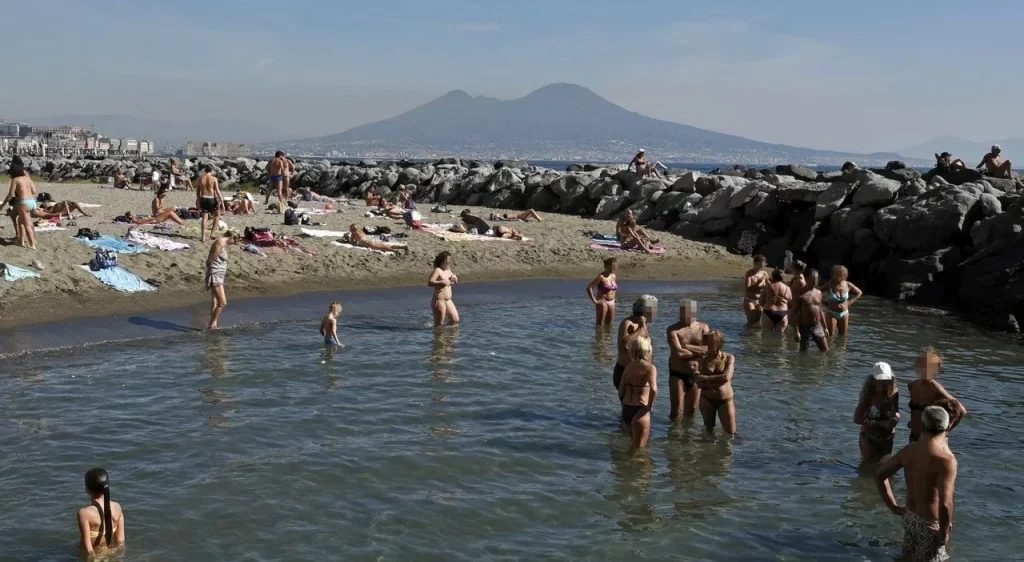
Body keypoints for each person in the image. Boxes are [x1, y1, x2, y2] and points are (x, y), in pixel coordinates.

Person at [874, 406, 957, 562]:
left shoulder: (909, 450)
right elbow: (946, 504)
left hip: (910, 516)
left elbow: (879, 475)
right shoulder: (947, 460)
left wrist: (893, 506)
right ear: (947, 427)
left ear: (923, 426)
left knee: (907, 557)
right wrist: (944, 533)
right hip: (930, 524)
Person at [907, 348, 967, 443]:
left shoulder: (935, 387)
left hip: (931, 441)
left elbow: (962, 411)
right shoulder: (911, 386)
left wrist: (946, 431)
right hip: (913, 438)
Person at [666, 299, 710, 419]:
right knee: (676, 410)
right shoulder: (673, 329)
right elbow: (679, 353)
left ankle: (687, 436)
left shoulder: (703, 328)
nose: (684, 315)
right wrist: (699, 351)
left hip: (696, 374)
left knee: (691, 411)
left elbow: (708, 349)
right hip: (677, 374)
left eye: (688, 312)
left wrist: (687, 347)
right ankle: (674, 435)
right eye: (682, 312)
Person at [854, 362, 901, 462]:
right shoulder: (868, 395)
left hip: (888, 439)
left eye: (887, 380)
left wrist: (897, 418)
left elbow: (897, 411)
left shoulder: (894, 393)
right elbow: (856, 418)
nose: (885, 384)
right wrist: (878, 423)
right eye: (881, 380)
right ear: (873, 381)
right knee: (868, 469)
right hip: (869, 439)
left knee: (885, 468)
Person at [618, 334, 658, 449]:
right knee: (640, 451)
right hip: (640, 409)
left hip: (626, 409)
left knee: (633, 446)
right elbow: (654, 389)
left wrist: (625, 400)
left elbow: (621, 390)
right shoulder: (650, 368)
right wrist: (648, 407)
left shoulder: (628, 366)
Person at [695, 330, 736, 435]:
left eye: (709, 342)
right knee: (708, 432)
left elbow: (726, 377)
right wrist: (718, 380)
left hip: (724, 400)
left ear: (719, 343)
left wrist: (706, 378)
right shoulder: (702, 359)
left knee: (730, 433)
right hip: (706, 400)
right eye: (705, 342)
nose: (706, 345)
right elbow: (698, 381)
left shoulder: (728, 358)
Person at [77, 468, 125, 555]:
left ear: (87, 489)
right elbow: (120, 541)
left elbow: (88, 549)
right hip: (111, 553)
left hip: (94, 557)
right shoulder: (117, 507)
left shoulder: (84, 513)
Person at [613, 295, 658, 390]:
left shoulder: (645, 324)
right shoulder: (628, 322)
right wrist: (640, 329)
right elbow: (625, 344)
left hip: (642, 372)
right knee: (630, 403)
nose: (656, 312)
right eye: (654, 309)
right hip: (626, 371)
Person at [1, 155, 38, 249]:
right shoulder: (28, 178)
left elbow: (10, 194)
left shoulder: (15, 180)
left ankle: (32, 244)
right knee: (21, 221)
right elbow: (34, 191)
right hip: (32, 202)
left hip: (24, 202)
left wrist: (2, 205)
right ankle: (22, 241)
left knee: (27, 224)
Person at [206, 231, 237, 330]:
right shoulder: (220, 243)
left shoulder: (222, 243)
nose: (234, 243)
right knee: (223, 303)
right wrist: (210, 273)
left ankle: (214, 323)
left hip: (219, 275)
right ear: (231, 237)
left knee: (215, 301)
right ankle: (211, 325)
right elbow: (211, 259)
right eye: (235, 240)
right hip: (215, 275)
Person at [792, 269, 829, 352]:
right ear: (807, 278)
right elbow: (794, 313)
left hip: (818, 325)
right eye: (813, 278)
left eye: (816, 278)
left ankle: (822, 365)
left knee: (825, 350)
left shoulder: (819, 293)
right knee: (803, 352)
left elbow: (820, 311)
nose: (815, 280)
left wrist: (825, 327)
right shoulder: (799, 293)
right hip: (805, 326)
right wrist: (796, 331)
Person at [823, 265, 863, 337]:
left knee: (843, 336)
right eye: (836, 274)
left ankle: (842, 348)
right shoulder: (829, 285)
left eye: (841, 275)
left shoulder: (848, 284)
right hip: (831, 313)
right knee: (830, 336)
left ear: (844, 275)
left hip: (844, 313)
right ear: (833, 274)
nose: (838, 277)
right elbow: (816, 292)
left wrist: (850, 302)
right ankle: (830, 348)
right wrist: (823, 302)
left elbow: (859, 292)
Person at [428, 251, 459, 327]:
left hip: (448, 300)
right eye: (448, 260)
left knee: (455, 321)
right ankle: (438, 336)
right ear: (443, 261)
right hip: (439, 301)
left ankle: (447, 337)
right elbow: (430, 282)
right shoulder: (437, 270)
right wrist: (441, 282)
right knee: (439, 325)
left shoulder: (448, 270)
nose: (449, 262)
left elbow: (453, 281)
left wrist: (455, 279)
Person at [759, 267, 793, 332]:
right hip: (782, 313)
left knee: (766, 336)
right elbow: (790, 305)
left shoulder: (767, 287)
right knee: (781, 338)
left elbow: (761, 302)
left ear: (773, 276)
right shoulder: (787, 288)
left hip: (768, 311)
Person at [586, 257, 618, 325]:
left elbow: (613, 289)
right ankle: (599, 335)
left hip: (612, 302)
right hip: (603, 302)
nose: (614, 268)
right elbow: (589, 288)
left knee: (610, 323)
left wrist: (614, 298)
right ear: (607, 266)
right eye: (613, 267)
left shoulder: (613, 276)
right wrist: (594, 300)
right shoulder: (601, 277)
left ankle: (608, 336)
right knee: (600, 324)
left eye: (615, 266)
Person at [196, 165, 223, 242]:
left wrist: (198, 201)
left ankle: (203, 237)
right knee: (217, 215)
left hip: (203, 198)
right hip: (211, 199)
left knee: (205, 218)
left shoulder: (200, 178)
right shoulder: (214, 179)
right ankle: (212, 233)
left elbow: (198, 192)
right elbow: (217, 191)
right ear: (211, 171)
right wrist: (222, 202)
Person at [743, 255, 769, 324]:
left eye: (763, 264)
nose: (762, 266)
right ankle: (748, 334)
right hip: (749, 299)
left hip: (760, 300)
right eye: (760, 264)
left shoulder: (764, 274)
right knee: (752, 320)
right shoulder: (749, 273)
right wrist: (758, 283)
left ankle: (755, 334)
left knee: (757, 322)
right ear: (755, 263)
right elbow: (748, 289)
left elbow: (769, 287)